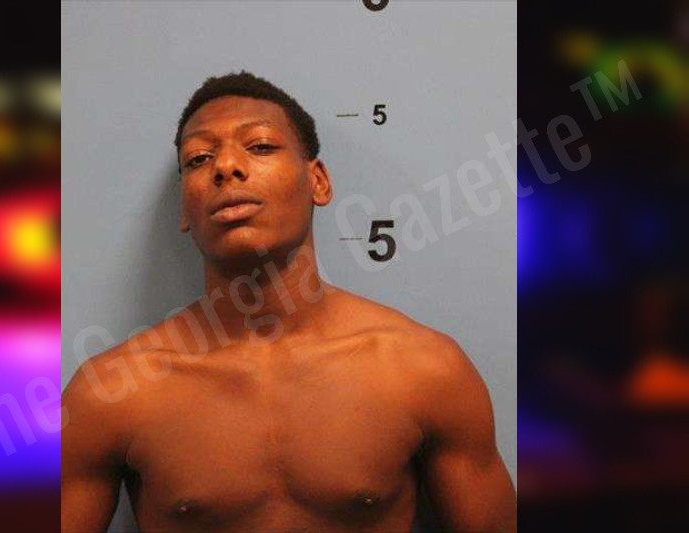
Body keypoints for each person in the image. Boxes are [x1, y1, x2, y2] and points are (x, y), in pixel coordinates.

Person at [61, 71, 517, 532]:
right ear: (184, 208)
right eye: (199, 158)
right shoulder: (112, 393)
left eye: (259, 146)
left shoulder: (424, 369)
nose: (226, 167)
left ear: (318, 181)